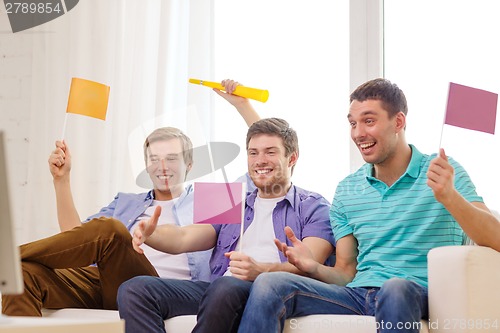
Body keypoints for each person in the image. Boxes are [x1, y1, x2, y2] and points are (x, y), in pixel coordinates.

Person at [236, 78, 500, 333]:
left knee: (395, 288)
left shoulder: (443, 171)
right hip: (358, 295)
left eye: (369, 121)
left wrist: (450, 197)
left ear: (398, 121)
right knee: (270, 283)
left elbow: (495, 238)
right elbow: (346, 273)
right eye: (353, 123)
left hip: (415, 292)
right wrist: (313, 267)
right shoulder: (348, 189)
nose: (358, 133)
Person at [1, 80, 259, 317]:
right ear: (145, 166)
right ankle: (11, 265)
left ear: (189, 163)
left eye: (171, 158)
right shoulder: (128, 202)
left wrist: (243, 106)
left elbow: (260, 166)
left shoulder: (211, 198)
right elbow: (73, 239)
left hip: (161, 291)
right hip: (105, 283)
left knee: (110, 230)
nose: (162, 166)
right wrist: (61, 180)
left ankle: (8, 258)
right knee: (22, 276)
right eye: (154, 159)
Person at [117, 117, 335, 333]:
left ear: (292, 158)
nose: (260, 160)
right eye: (253, 153)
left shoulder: (314, 206)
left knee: (225, 287)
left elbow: (310, 267)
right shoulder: (232, 199)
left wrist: (260, 271)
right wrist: (151, 234)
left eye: (270, 152)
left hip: (267, 292)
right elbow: (184, 237)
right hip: (218, 290)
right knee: (134, 289)